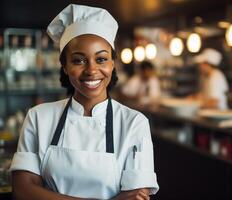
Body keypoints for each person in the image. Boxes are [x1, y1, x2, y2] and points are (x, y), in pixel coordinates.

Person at [9, 4, 159, 200]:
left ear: (113, 63)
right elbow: (23, 191)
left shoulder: (134, 123)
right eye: (79, 60)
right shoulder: (38, 117)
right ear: (64, 66)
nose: (91, 70)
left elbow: (138, 196)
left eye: (101, 59)